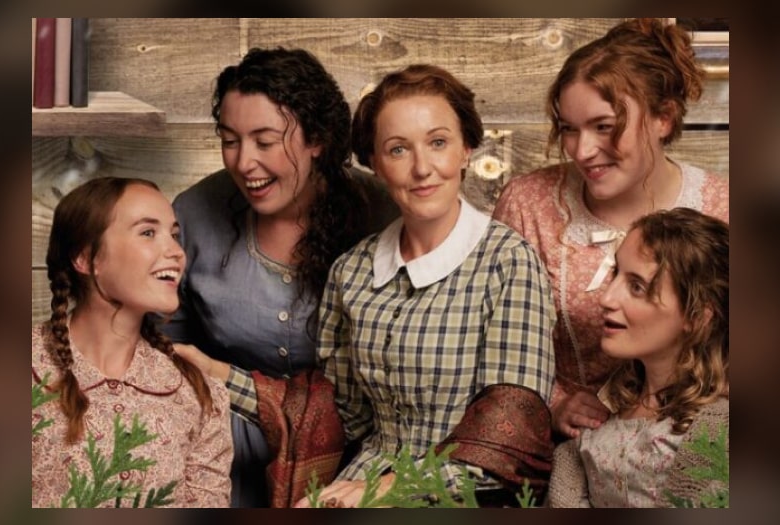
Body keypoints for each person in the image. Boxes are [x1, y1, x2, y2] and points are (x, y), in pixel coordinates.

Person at [289, 63, 557, 507]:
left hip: (471, 493)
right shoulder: (350, 271)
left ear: (467, 148)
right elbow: (341, 413)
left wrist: (384, 490)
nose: (422, 168)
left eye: (438, 142)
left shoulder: (508, 262)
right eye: (398, 150)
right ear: (374, 163)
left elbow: (510, 440)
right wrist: (213, 373)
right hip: (363, 479)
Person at [162, 47, 398, 507]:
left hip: (357, 459)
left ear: (318, 139)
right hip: (224, 453)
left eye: (265, 141)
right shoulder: (192, 214)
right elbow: (163, 346)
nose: (244, 162)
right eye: (230, 139)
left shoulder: (385, 215)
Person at [491, 18, 729, 441]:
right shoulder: (528, 203)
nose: (583, 151)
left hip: (693, 443)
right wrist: (552, 401)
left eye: (604, 127)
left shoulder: (724, 208)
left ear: (664, 119)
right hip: (560, 445)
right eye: (569, 128)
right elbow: (497, 337)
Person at [31, 177, 232, 508]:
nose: (176, 252)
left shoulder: (199, 393)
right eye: (148, 233)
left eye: (175, 235)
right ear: (85, 258)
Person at [547, 207, 729, 507]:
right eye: (615, 274)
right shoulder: (610, 402)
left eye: (637, 287)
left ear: (697, 316)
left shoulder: (717, 428)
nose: (606, 299)